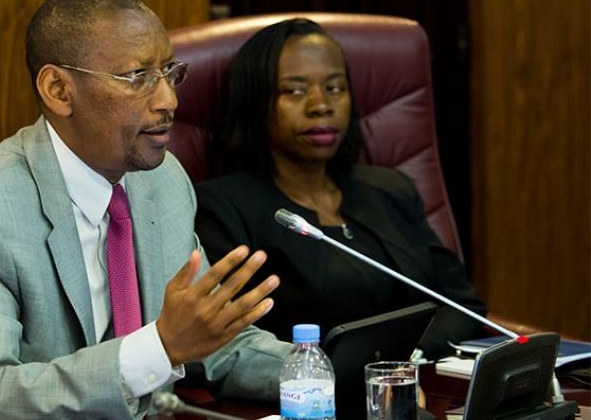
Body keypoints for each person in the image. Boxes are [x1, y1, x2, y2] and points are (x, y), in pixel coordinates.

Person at [0, 0, 292, 419]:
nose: (168, 101)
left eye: (169, 73)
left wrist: (319, 370)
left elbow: (207, 339)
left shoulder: (162, 181)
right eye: (138, 77)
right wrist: (159, 347)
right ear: (58, 90)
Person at [195, 18, 486, 363]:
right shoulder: (223, 207)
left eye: (335, 88)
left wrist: (407, 359)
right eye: (295, 90)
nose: (321, 105)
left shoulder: (390, 189)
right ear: (257, 102)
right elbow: (231, 341)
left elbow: (463, 306)